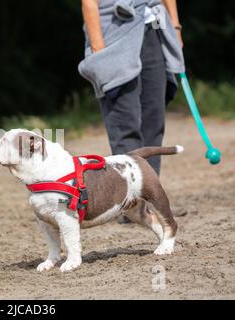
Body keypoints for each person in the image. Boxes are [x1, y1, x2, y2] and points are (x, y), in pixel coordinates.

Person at [79, 0, 186, 221]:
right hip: (113, 34)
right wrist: (99, 51)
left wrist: (174, 26)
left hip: (151, 28)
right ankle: (130, 205)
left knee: (153, 118)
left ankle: (150, 201)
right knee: (124, 122)